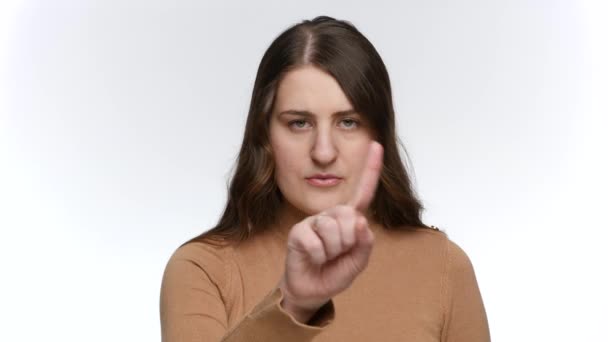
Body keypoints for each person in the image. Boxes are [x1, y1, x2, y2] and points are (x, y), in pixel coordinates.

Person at [160, 16, 490, 341]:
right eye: (299, 123)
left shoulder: (443, 266)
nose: (323, 152)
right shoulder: (202, 270)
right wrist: (293, 305)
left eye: (348, 122)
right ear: (265, 136)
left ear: (379, 135)